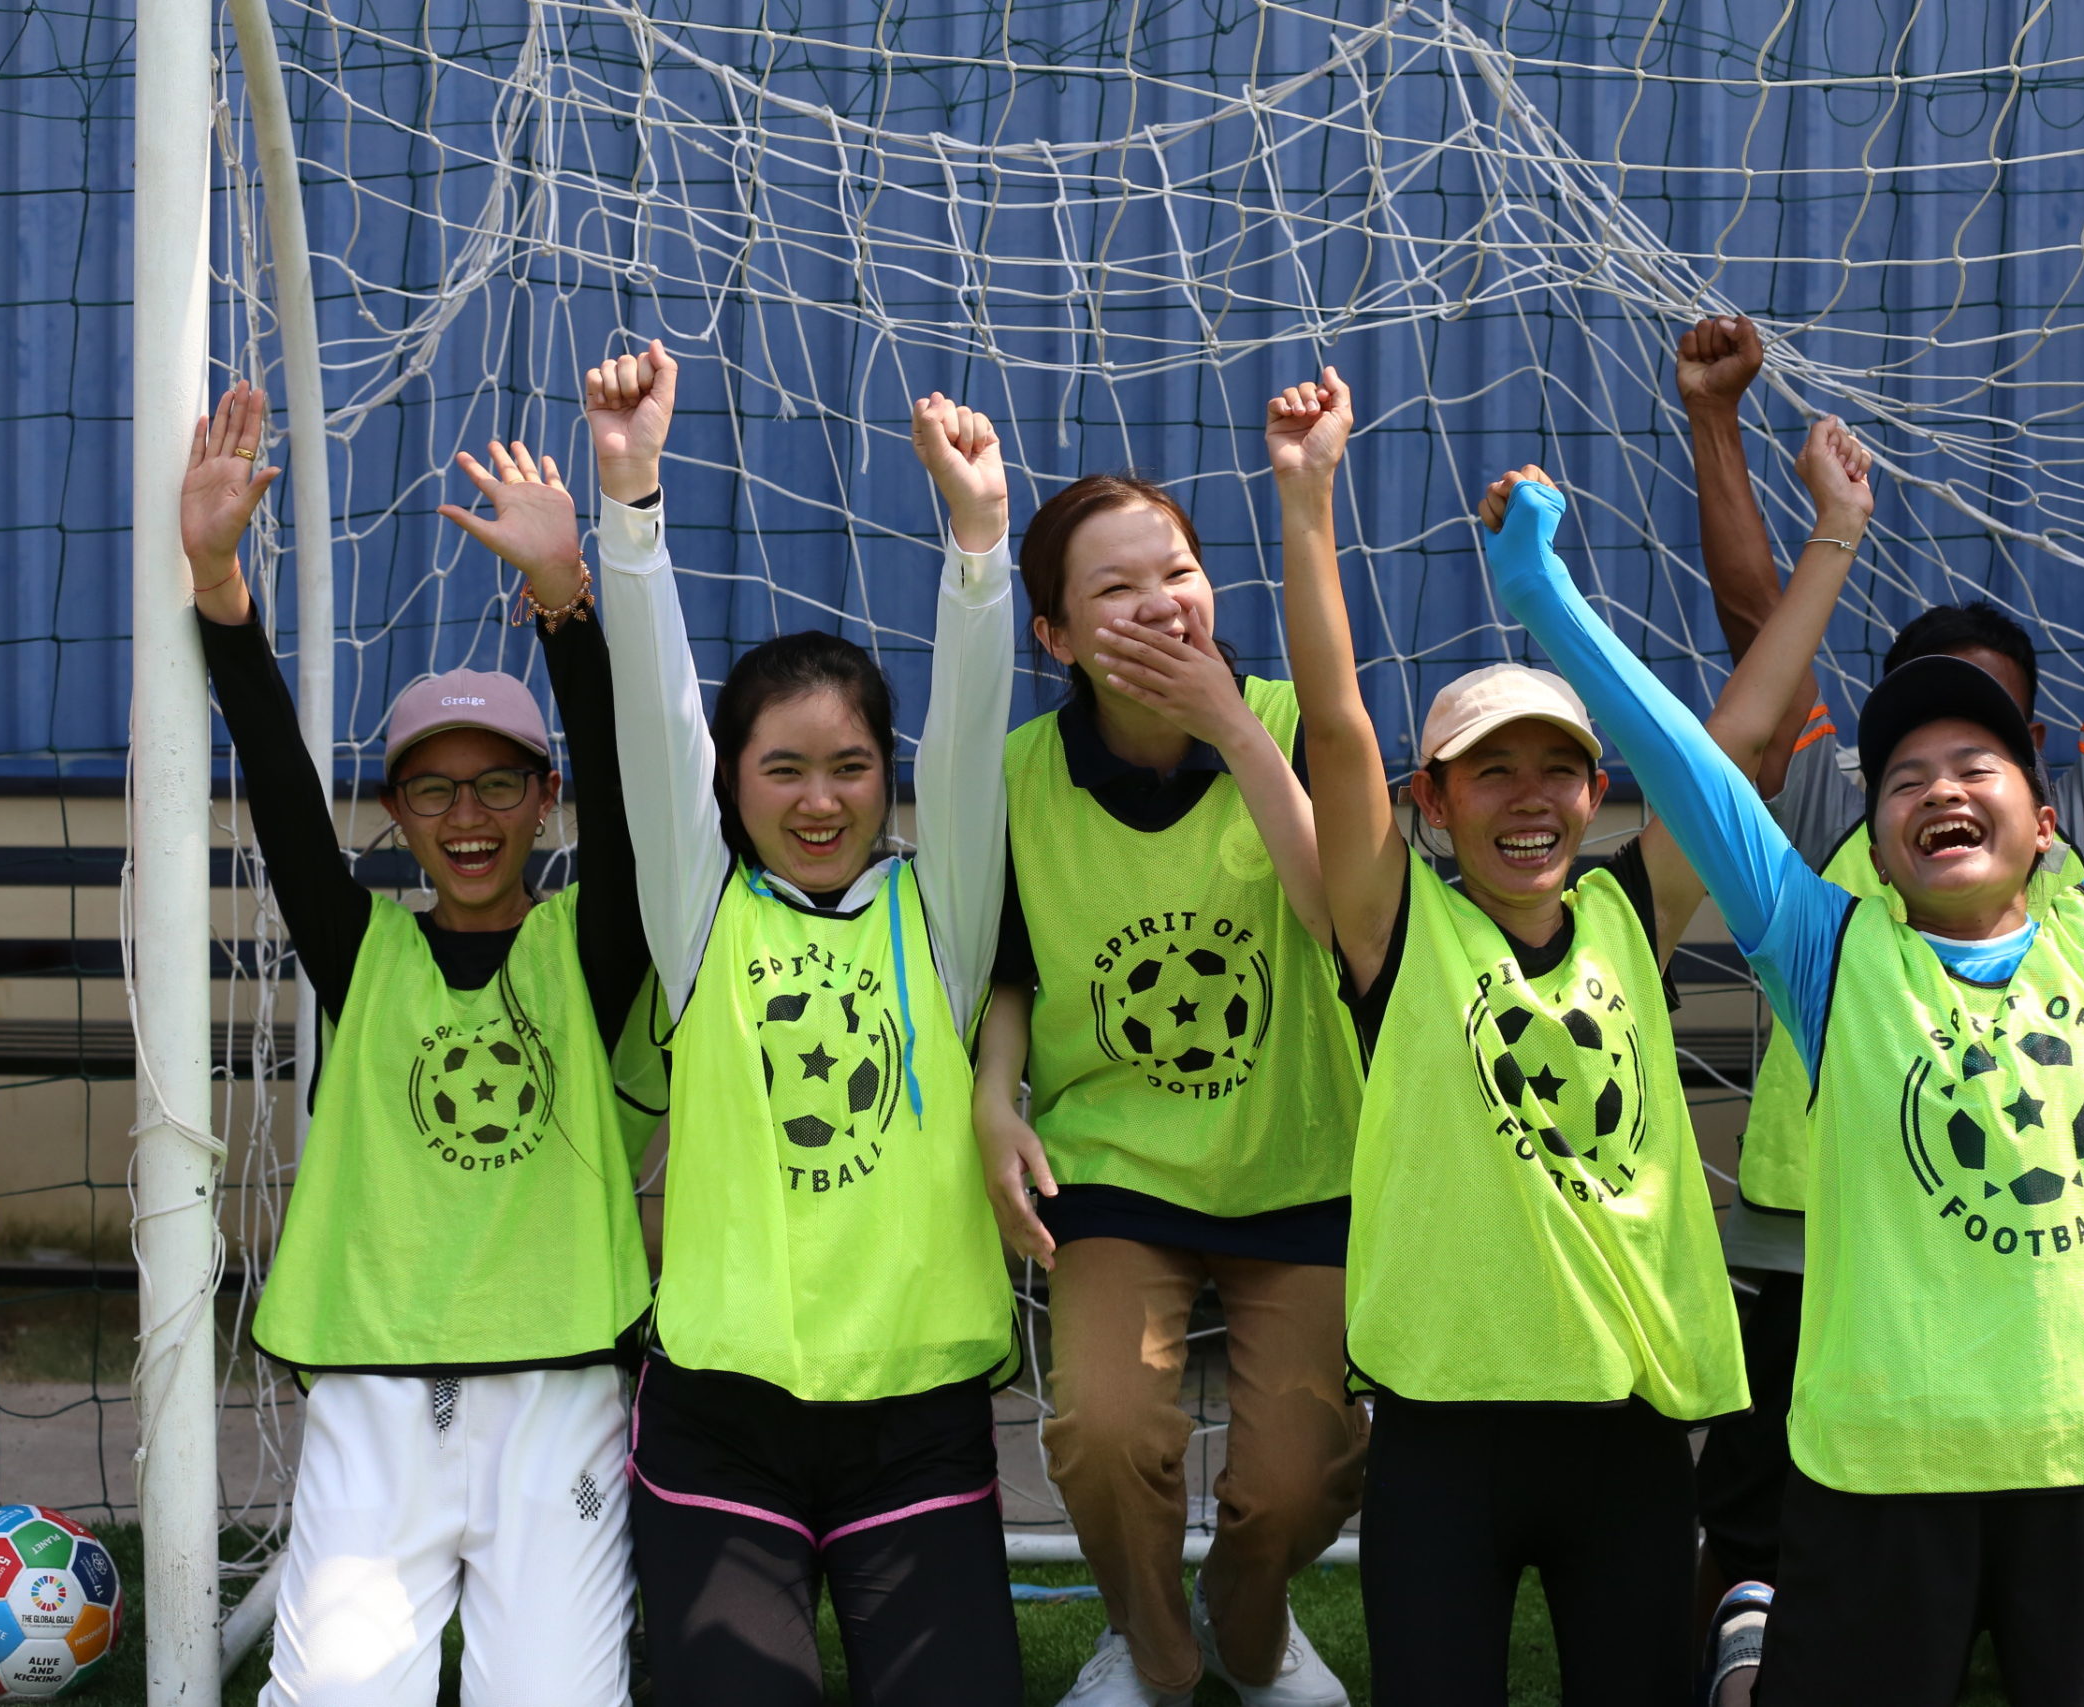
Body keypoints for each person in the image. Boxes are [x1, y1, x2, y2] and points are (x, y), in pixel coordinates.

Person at [1485, 407, 2084, 1705]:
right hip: (1882, 1468)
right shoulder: (1830, 951)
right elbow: (1690, 763)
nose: (1936, 784)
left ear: (2045, 821)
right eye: (1902, 773)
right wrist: (1542, 590)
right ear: (1877, 827)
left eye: (1977, 759)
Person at [1677, 297, 2084, 1615]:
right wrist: (1715, 420)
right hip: (1820, 1246)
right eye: (1927, 741)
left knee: (2049, 1567)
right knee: (1767, 1542)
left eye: (1991, 738)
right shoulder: (1833, 807)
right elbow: (1753, 613)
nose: (1955, 782)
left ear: (2032, 766)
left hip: (2036, 1269)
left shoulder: (2082, 823)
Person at [1278, 369, 1878, 1705]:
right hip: (1444, 1437)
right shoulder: (1397, 928)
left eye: (1558, 765)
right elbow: (1330, 722)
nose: (1531, 796)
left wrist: (1834, 530)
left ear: (1598, 786)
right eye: (1492, 768)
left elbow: (1743, 737)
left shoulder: (1629, 909)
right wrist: (1309, 497)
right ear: (1432, 801)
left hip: (1628, 1431)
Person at [183, 385, 655, 1705]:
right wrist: (222, 584)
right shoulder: (366, 951)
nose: (467, 812)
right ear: (396, 809)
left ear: (540, 797)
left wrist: (566, 601)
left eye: (499, 779)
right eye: (433, 785)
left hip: (556, 1392)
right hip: (377, 1395)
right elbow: (278, 786)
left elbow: (634, 810)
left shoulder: (587, 947)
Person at [585, 342, 1022, 1706]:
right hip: (723, 1419)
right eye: (784, 767)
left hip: (918, 1421)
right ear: (733, 782)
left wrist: (980, 546)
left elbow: (968, 739)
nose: (821, 797)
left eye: (849, 765)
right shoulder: (701, 916)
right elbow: (651, 722)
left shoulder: (937, 921)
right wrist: (631, 500)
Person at [975, 467, 1363, 1696]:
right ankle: (1150, 1648)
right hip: (1115, 1168)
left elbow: (1343, 919)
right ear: (1055, 634)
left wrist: (1233, 727)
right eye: (1116, 588)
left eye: (1178, 574)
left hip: (1300, 1163)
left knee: (1302, 1476)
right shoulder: (1018, 773)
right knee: (1098, 1430)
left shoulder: (1298, 724)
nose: (1158, 603)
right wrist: (995, 1099)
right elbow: (1008, 972)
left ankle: (1249, 1621)